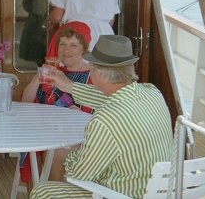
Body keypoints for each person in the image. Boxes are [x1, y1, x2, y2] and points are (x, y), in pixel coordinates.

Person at [31, 35, 172, 198]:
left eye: (91, 67)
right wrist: (69, 86)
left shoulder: (105, 120)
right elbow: (108, 97)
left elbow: (79, 174)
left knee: (42, 191)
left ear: (98, 73)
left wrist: (74, 153)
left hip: (121, 195)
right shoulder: (152, 92)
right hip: (160, 192)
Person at [19, 23, 94, 193]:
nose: (66, 50)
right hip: (46, 131)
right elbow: (25, 101)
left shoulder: (94, 75)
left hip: (78, 136)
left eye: (73, 45)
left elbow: (95, 112)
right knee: (31, 147)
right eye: (62, 44)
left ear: (84, 48)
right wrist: (39, 77)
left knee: (56, 151)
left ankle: (54, 194)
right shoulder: (52, 71)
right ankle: (37, 194)